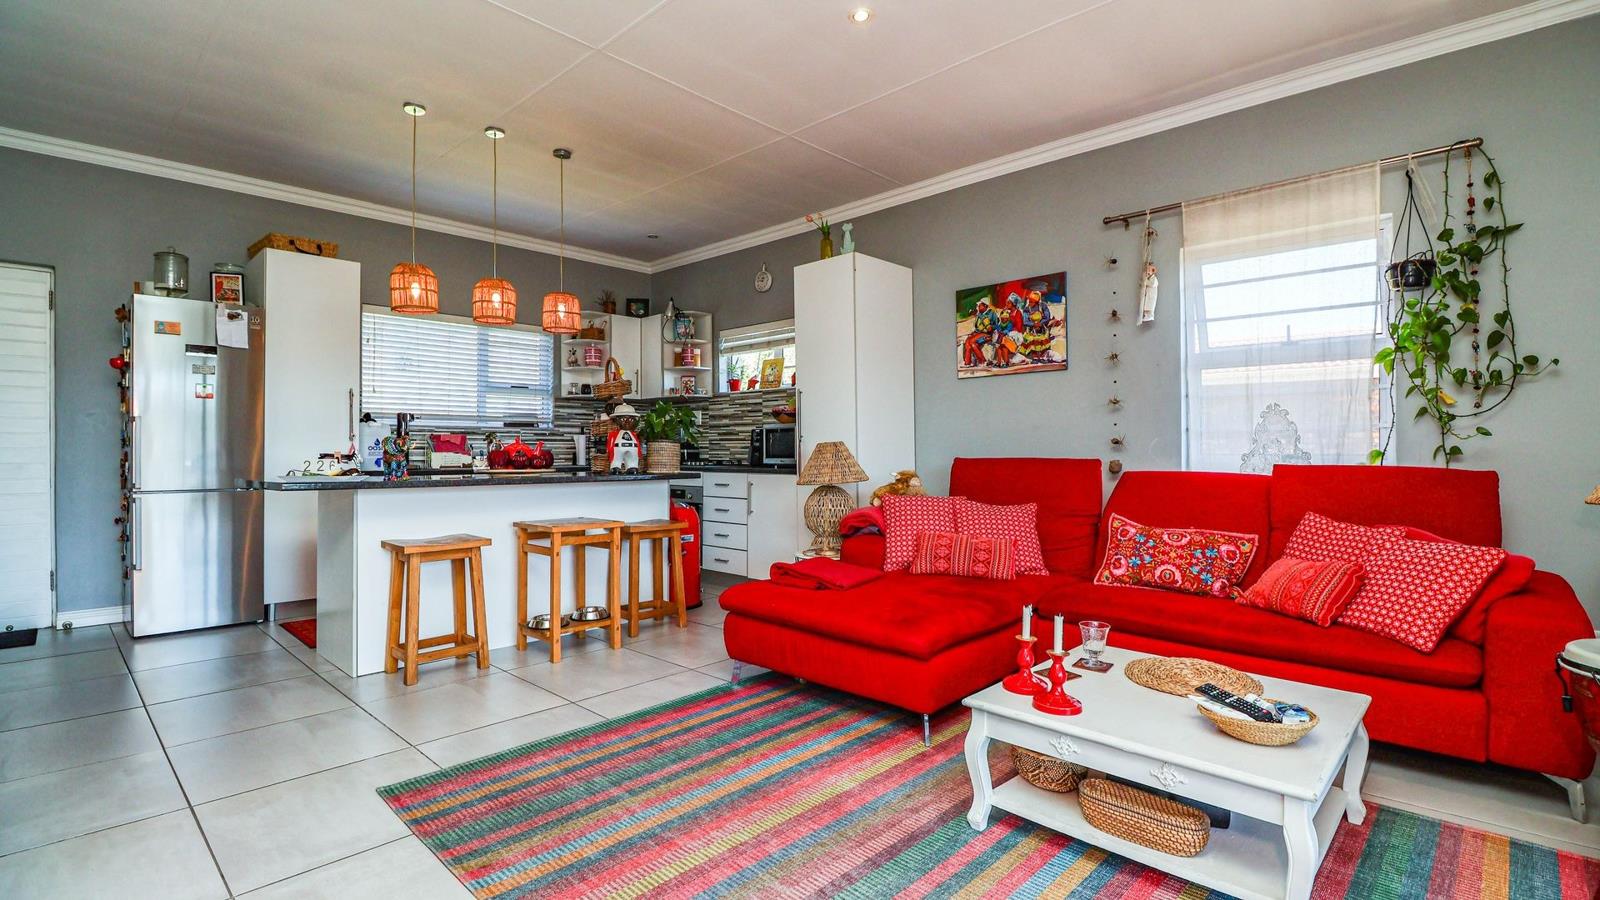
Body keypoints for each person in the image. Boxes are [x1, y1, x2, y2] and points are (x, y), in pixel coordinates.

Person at [606, 403, 642, 474]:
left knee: (632, 461)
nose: (627, 421)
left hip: (632, 448)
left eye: (631, 419)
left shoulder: (634, 434)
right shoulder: (614, 434)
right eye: (623, 419)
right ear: (617, 420)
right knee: (616, 459)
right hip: (618, 448)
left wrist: (638, 452)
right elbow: (610, 443)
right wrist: (610, 452)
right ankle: (615, 467)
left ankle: (632, 467)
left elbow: (637, 443)